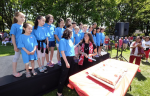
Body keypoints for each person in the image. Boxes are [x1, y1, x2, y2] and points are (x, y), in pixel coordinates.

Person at [57, 28, 75, 96]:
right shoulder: (62, 40)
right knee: (63, 76)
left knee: (69, 74)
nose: (72, 35)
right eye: (71, 33)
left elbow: (71, 49)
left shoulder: (70, 40)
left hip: (71, 58)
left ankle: (66, 84)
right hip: (66, 59)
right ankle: (59, 92)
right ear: (69, 34)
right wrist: (66, 62)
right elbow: (62, 52)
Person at [10, 12, 25, 77]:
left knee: (25, 56)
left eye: (24, 17)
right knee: (16, 57)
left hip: (24, 44)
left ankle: (26, 66)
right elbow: (13, 36)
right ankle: (14, 72)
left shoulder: (25, 25)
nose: (23, 18)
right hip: (18, 45)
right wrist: (15, 46)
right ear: (16, 17)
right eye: (21, 17)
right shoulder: (14, 25)